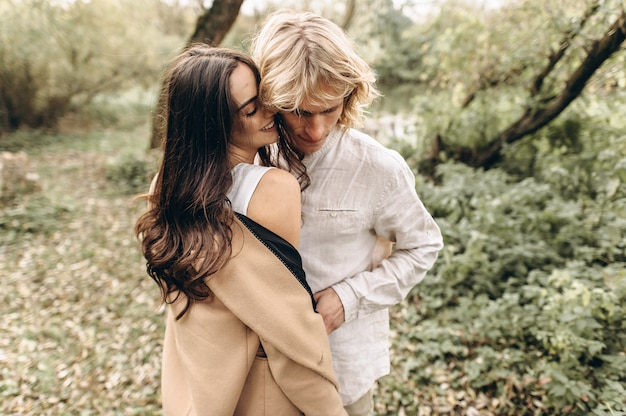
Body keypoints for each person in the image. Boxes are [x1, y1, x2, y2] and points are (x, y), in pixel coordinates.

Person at [134, 44, 347, 416]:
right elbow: (284, 323)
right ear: (214, 122)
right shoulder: (274, 190)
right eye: (252, 109)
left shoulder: (165, 187)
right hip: (264, 391)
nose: (271, 111)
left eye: (264, 97)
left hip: (197, 382)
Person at [252, 11, 445, 416]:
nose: (317, 130)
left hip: (342, 372)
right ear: (270, 99)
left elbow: (423, 246)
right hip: (258, 370)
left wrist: (349, 297)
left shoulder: (379, 168)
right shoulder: (246, 158)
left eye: (330, 108)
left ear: (350, 94)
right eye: (300, 112)